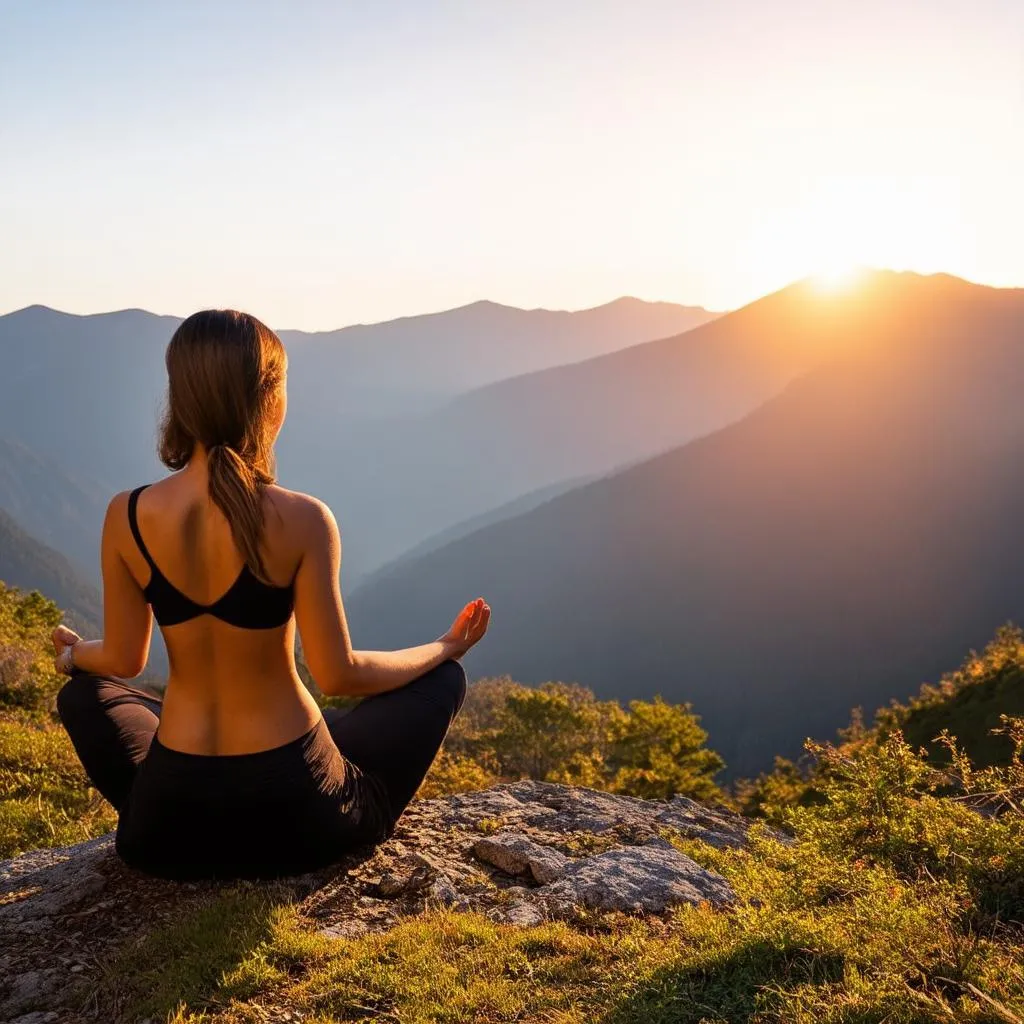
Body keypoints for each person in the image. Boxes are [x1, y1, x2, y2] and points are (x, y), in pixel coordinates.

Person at [52, 309, 490, 881]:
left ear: (180, 396)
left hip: (168, 830)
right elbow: (339, 674)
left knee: (85, 696)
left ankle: (162, 804)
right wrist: (445, 646)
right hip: (296, 817)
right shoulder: (303, 519)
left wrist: (72, 656)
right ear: (267, 399)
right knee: (440, 682)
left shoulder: (126, 514)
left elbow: (123, 660)